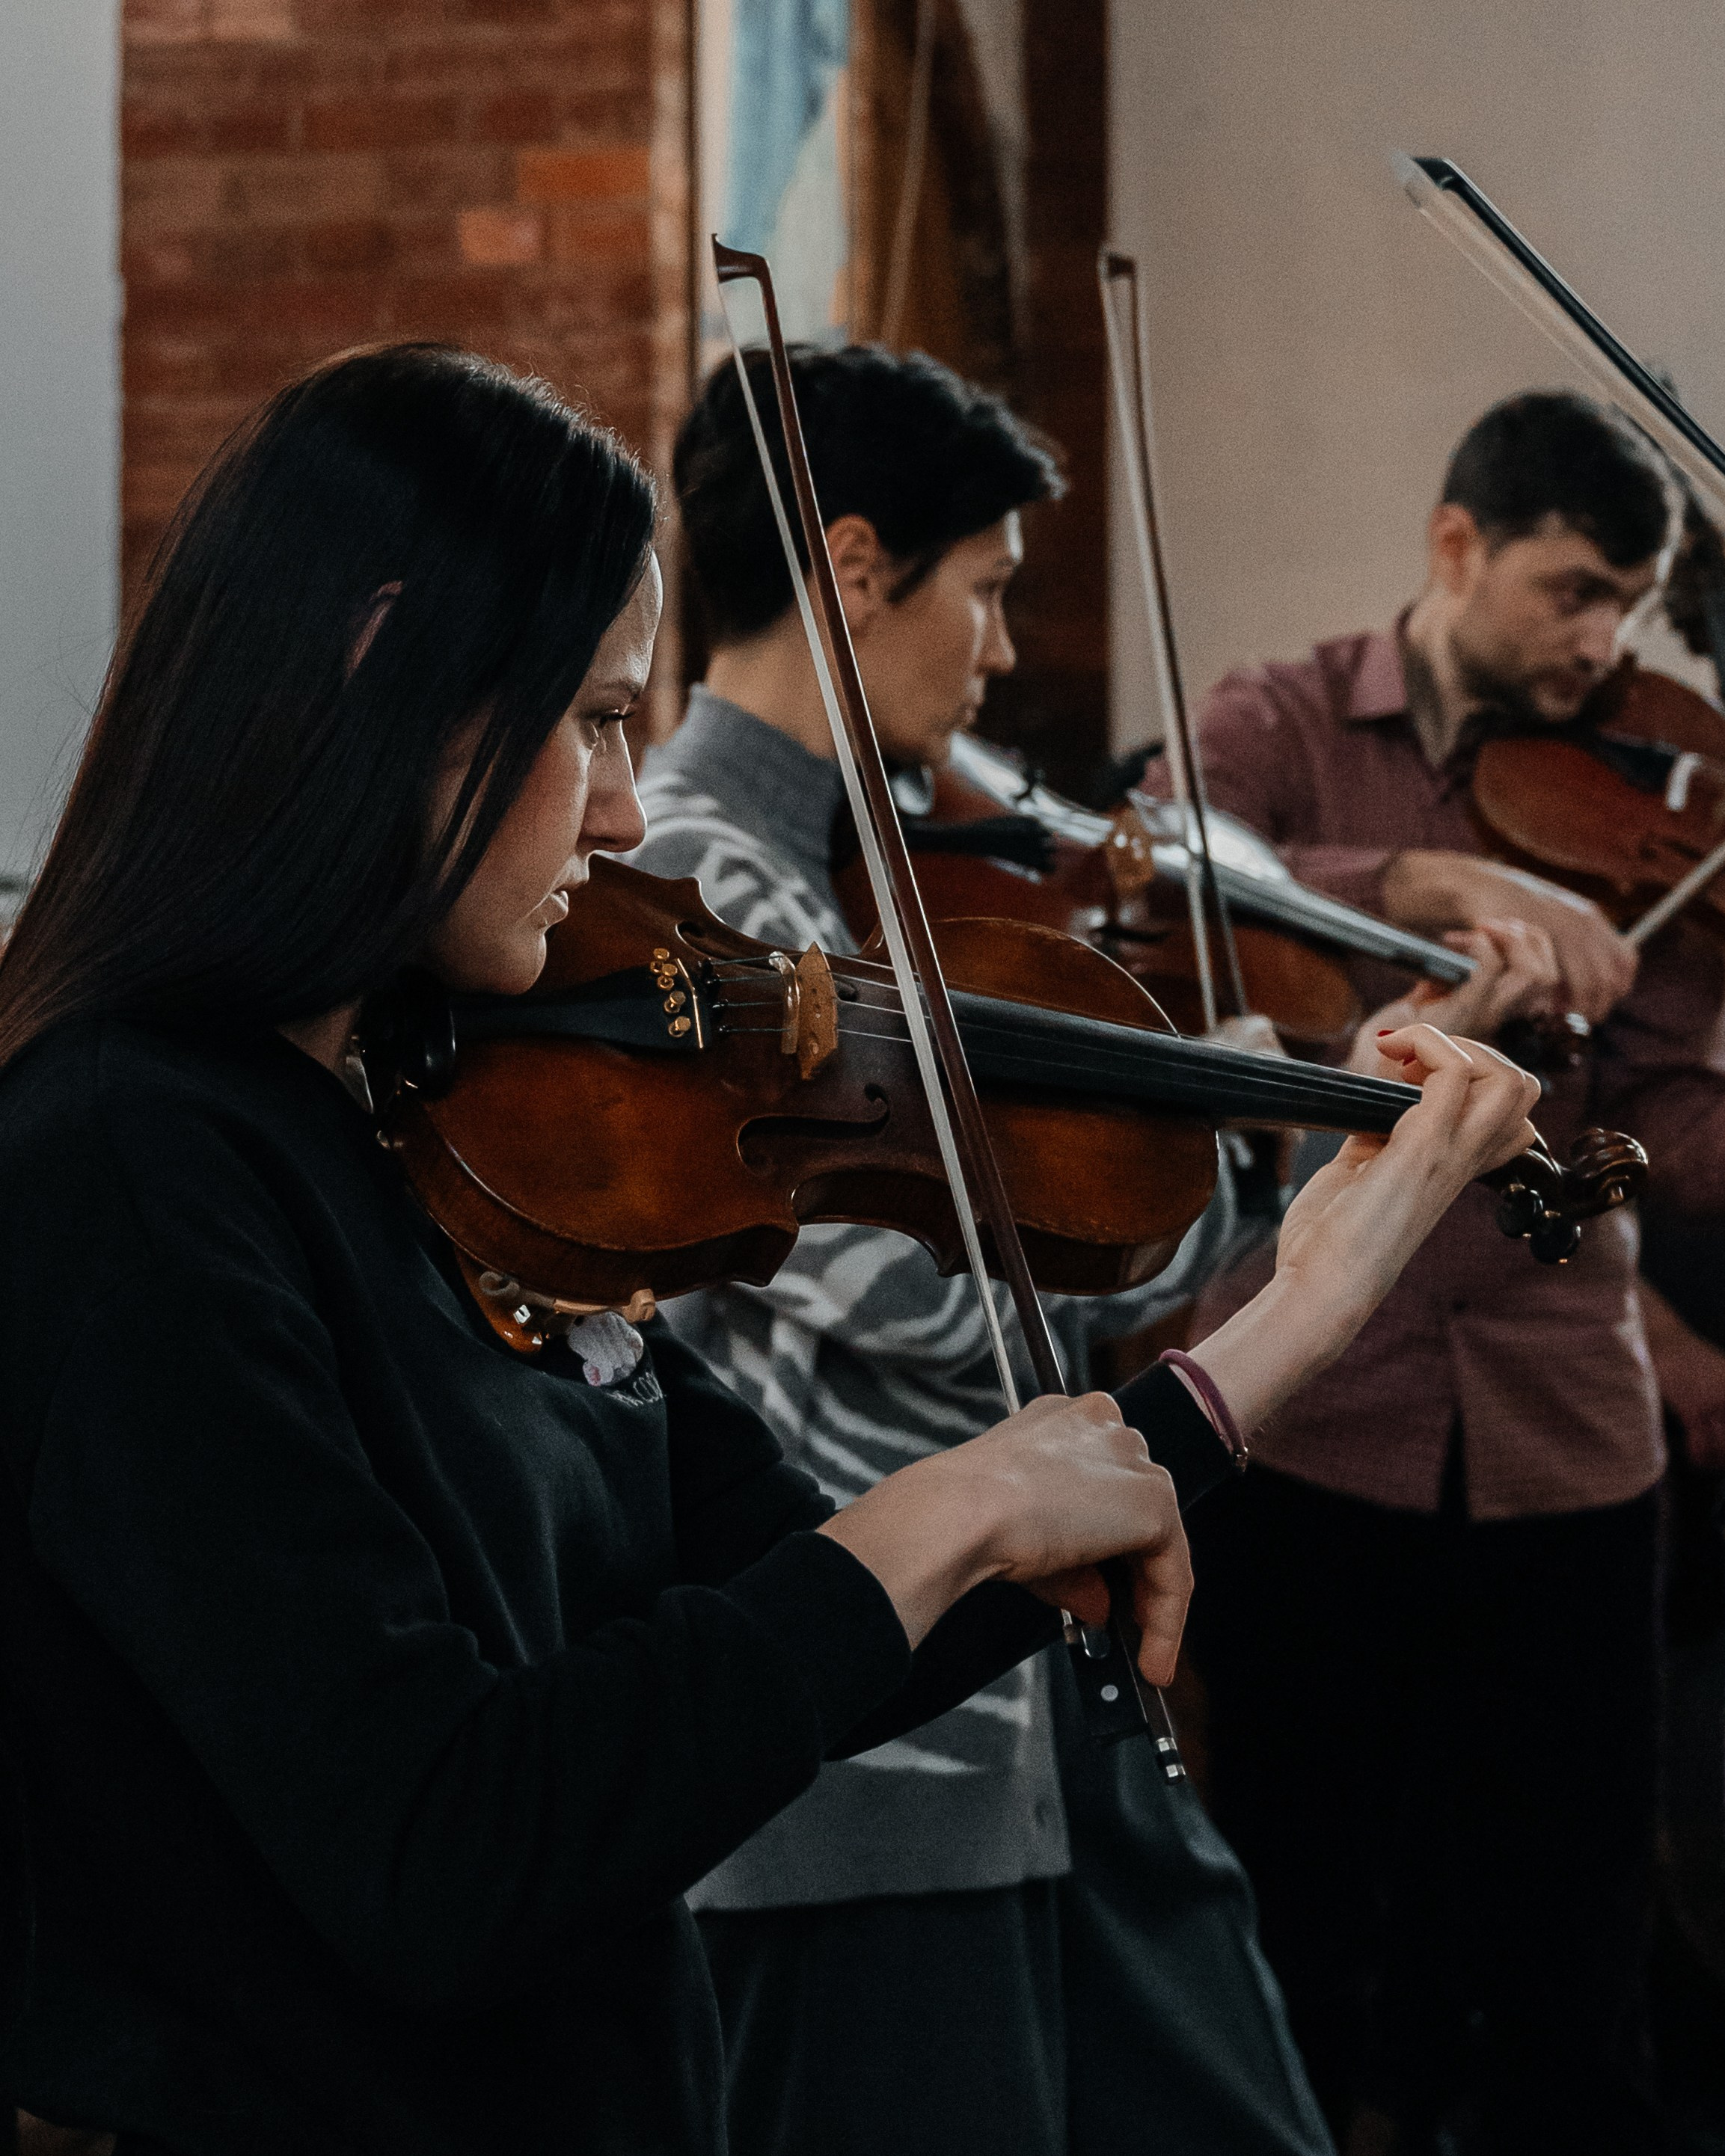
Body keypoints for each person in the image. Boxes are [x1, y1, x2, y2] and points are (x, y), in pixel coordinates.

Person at [0, 343, 1539, 2156]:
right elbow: (447, 1842)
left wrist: (1299, 1313)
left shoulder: (421, 1127)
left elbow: (808, 1605)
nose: (627, 812)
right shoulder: (125, 1158)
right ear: (375, 658)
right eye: (589, 718)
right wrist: (950, 1507)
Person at [631, 344, 1546, 2156]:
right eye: (986, 591)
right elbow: (900, 1282)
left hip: (1026, 1681)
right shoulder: (701, 881)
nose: (997, 655)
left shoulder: (836, 873)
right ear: (858, 566)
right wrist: (1220, 1161)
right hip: (877, 1738)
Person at [1169, 388, 1721, 2155]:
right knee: (1308, 1916)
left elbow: (1666, 1124)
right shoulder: (1278, 717)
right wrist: (1415, 886)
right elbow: (1179, 898)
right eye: (1570, 593)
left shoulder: (1656, 785)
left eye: (1627, 606)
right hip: (1321, 1418)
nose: (1601, 645)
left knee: (1571, 1939)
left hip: (1568, 1428)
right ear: (1455, 545)